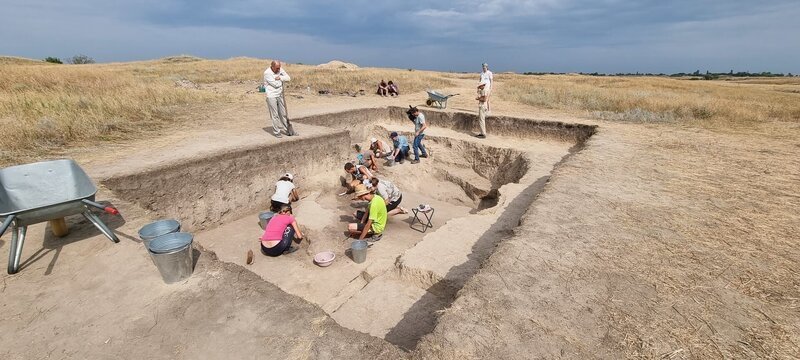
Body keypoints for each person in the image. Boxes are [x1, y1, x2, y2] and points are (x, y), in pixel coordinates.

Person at [264, 60, 295, 138]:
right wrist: (282, 81)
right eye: (277, 68)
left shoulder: (280, 69)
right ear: (272, 67)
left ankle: (287, 130)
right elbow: (275, 85)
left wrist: (280, 77)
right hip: (271, 96)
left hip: (280, 94)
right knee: (275, 115)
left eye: (279, 68)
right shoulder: (267, 73)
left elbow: (288, 78)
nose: (279, 70)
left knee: (283, 113)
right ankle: (276, 131)